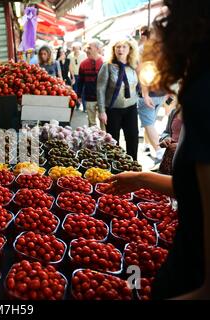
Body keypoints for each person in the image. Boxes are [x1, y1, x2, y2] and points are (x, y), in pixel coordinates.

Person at [106, 0, 210, 300]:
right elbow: (196, 193)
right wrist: (142, 179)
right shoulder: (198, 89)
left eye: (169, 10)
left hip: (189, 275)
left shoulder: (203, 95)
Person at [96, 37, 140, 160]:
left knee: (132, 137)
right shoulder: (107, 66)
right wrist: (101, 111)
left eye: (124, 46)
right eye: (118, 47)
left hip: (131, 108)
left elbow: (139, 85)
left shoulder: (134, 66)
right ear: (113, 50)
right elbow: (100, 89)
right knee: (113, 140)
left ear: (130, 49)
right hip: (112, 109)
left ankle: (133, 165)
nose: (120, 49)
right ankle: (115, 165)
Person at [137, 26, 168, 163]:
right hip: (158, 92)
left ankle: (159, 152)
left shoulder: (144, 49)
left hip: (151, 94)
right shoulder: (164, 49)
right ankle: (147, 145)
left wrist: (145, 94)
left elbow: (141, 70)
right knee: (150, 122)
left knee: (149, 123)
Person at [77, 40, 104, 129]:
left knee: (104, 123)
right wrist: (79, 95)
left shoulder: (105, 63)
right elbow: (80, 81)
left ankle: (106, 142)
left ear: (97, 49)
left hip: (103, 99)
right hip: (89, 98)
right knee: (92, 125)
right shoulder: (83, 64)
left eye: (89, 48)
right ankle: (92, 142)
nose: (87, 50)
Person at [158, 105, 182, 175]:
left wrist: (180, 146)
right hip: (169, 160)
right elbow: (166, 132)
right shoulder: (175, 111)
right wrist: (165, 139)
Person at [68, 42, 87, 111]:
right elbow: (70, 67)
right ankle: (77, 105)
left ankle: (85, 107)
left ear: (79, 48)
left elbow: (86, 64)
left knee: (83, 91)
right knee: (75, 91)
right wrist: (72, 77)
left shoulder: (84, 55)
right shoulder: (70, 56)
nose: (75, 49)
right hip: (74, 75)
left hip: (83, 75)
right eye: (74, 48)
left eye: (77, 48)